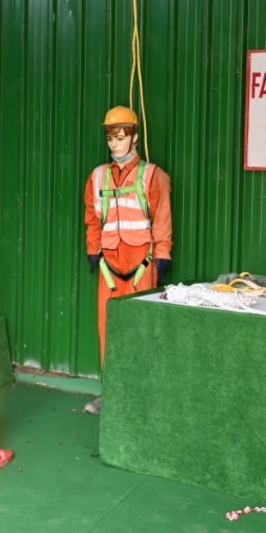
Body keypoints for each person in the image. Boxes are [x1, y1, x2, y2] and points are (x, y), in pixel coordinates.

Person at [83, 106, 172, 414]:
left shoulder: (153, 176)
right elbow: (93, 219)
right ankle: (112, 395)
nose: (114, 144)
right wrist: (92, 249)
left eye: (120, 137)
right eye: (110, 138)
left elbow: (162, 219)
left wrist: (162, 254)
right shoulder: (97, 177)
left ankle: (140, 396)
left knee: (139, 330)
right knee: (107, 330)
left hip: (142, 267)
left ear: (135, 137)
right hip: (109, 266)